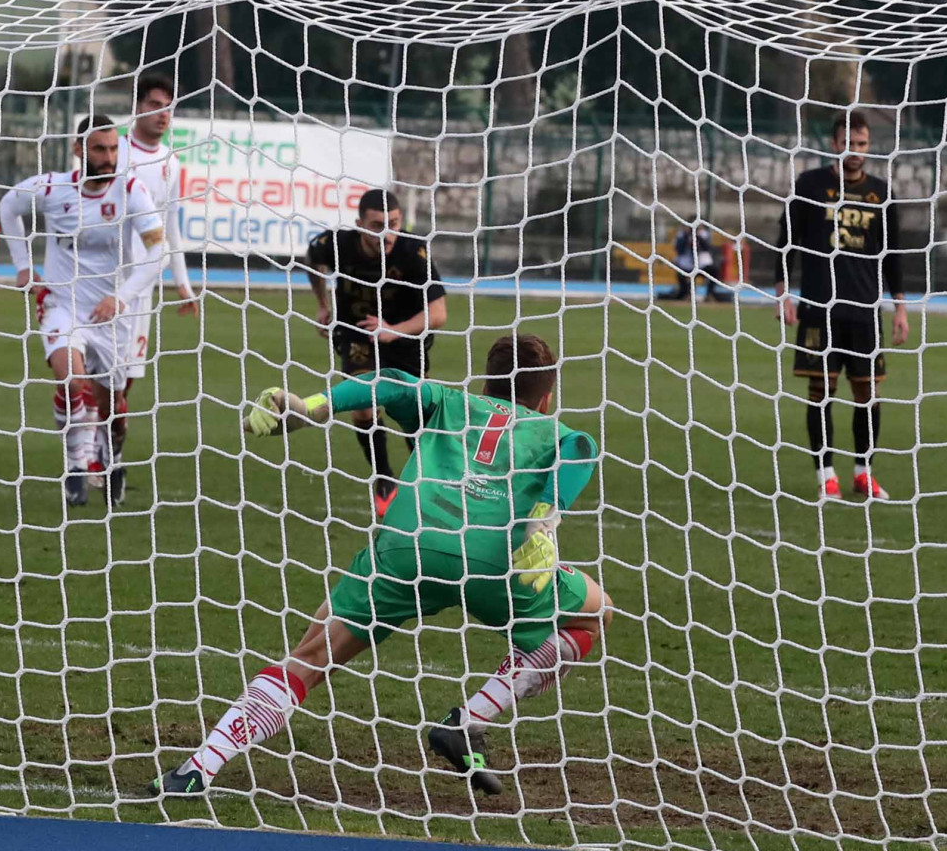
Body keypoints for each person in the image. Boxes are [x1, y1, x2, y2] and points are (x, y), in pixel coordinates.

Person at [148, 334, 610, 798]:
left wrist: (310, 406)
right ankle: (468, 720)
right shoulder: (556, 432)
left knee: (310, 656)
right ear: (547, 396)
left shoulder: (449, 401)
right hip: (500, 566)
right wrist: (545, 519)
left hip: (407, 548)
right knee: (595, 611)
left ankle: (197, 767)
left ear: (488, 383)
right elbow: (581, 449)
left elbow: (388, 382)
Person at [0, 117, 166, 507]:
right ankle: (76, 464)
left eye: (112, 150)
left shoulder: (130, 191)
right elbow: (8, 205)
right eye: (99, 150)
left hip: (111, 316)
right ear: (79, 150)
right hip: (62, 303)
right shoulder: (54, 188)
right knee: (72, 380)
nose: (108, 159)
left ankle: (113, 456)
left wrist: (121, 298)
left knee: (113, 412)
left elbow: (158, 252)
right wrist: (23, 264)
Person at [774, 110, 909, 503]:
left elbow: (893, 254)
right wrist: (782, 291)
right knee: (821, 393)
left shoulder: (881, 193)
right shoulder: (810, 185)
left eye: (863, 144)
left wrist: (900, 308)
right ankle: (826, 475)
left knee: (868, 396)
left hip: (865, 311)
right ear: (834, 145)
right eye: (849, 143)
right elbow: (787, 240)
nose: (856, 151)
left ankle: (864, 474)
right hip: (819, 307)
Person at [303, 189, 448, 515]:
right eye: (378, 225)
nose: (387, 233)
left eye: (394, 224)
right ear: (359, 224)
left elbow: (438, 314)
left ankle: (428, 480)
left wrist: (393, 331)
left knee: (414, 415)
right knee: (363, 405)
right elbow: (312, 262)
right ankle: (384, 478)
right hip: (356, 332)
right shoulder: (337, 245)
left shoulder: (413, 252)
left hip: (406, 339)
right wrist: (322, 305)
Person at [100, 73, 200, 503]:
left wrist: (182, 282)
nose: (163, 114)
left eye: (169, 107)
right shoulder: (112, 151)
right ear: (137, 106)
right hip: (100, 279)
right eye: (156, 104)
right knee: (93, 373)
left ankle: (109, 449)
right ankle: (96, 456)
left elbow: (169, 223)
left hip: (141, 287)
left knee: (124, 382)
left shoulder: (170, 163)